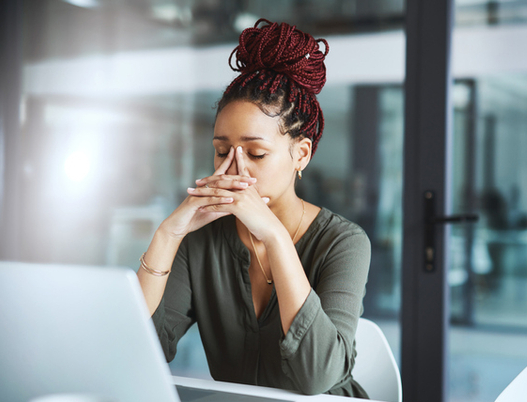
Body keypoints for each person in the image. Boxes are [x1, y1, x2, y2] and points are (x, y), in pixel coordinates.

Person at [136, 19, 371, 398]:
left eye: (257, 153)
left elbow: (317, 378)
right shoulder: (201, 240)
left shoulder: (343, 242)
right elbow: (142, 350)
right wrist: (168, 235)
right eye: (221, 151)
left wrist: (275, 237)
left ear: (302, 154)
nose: (233, 168)